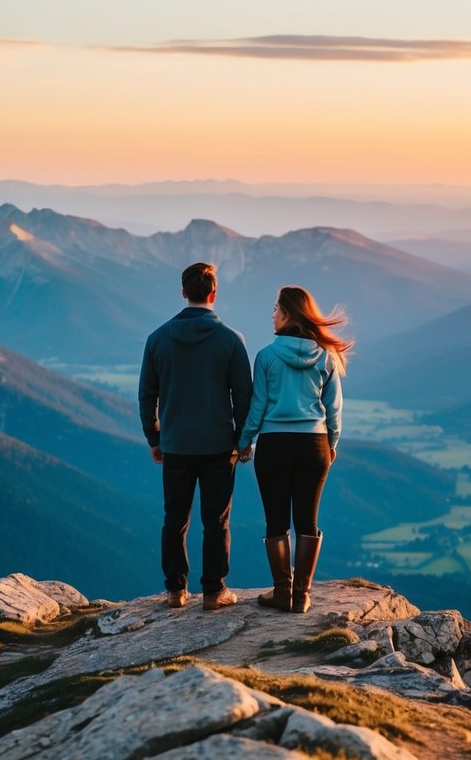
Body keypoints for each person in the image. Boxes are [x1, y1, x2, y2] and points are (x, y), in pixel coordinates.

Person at [139, 261, 252, 611]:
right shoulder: (231, 340)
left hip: (176, 446)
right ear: (214, 294)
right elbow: (243, 395)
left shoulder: (157, 338)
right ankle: (215, 592)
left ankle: (175, 591)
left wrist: (154, 438)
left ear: (184, 292)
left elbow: (147, 395)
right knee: (216, 520)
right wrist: (242, 439)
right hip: (220, 446)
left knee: (175, 518)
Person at [237, 286, 353, 614]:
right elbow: (334, 409)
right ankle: (301, 596)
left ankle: (281, 592)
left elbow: (257, 406)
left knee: (276, 519)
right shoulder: (326, 357)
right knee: (308, 518)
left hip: (274, 444)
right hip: (314, 445)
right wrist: (331, 445)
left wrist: (244, 441)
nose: (272, 315)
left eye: (276, 309)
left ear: (288, 314)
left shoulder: (266, 356)